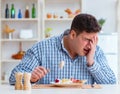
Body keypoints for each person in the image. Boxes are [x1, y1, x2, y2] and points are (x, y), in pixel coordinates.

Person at [9, 13, 116, 85]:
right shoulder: (42, 48)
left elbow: (111, 83)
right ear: (73, 34)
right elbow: (13, 78)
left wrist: (91, 62)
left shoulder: (95, 52)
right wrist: (30, 77)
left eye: (94, 40)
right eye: (87, 39)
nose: (91, 45)